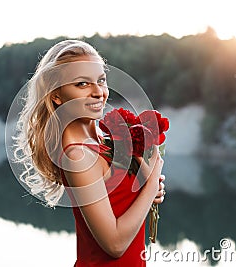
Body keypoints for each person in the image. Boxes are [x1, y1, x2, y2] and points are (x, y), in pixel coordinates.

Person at [14, 39, 166, 266]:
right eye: (82, 84)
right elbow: (114, 245)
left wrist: (147, 188)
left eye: (101, 81)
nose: (98, 92)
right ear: (57, 94)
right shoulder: (77, 155)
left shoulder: (104, 139)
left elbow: (125, 199)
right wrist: (152, 183)